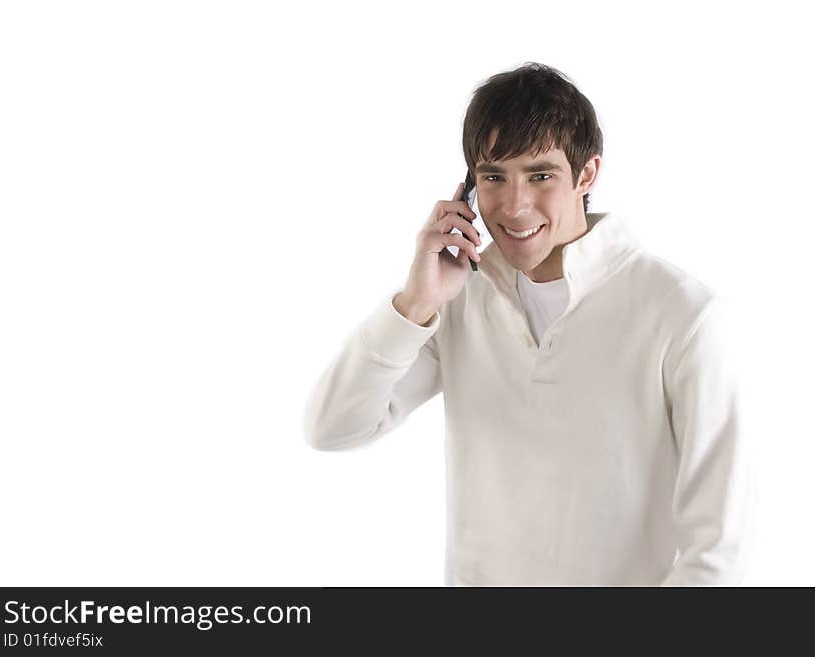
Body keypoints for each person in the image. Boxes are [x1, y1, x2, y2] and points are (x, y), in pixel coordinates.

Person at [303, 62, 755, 586]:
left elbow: (720, 549)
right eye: (494, 177)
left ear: (586, 174)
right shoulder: (458, 301)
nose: (514, 206)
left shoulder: (682, 314)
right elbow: (332, 427)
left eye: (540, 175)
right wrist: (416, 302)